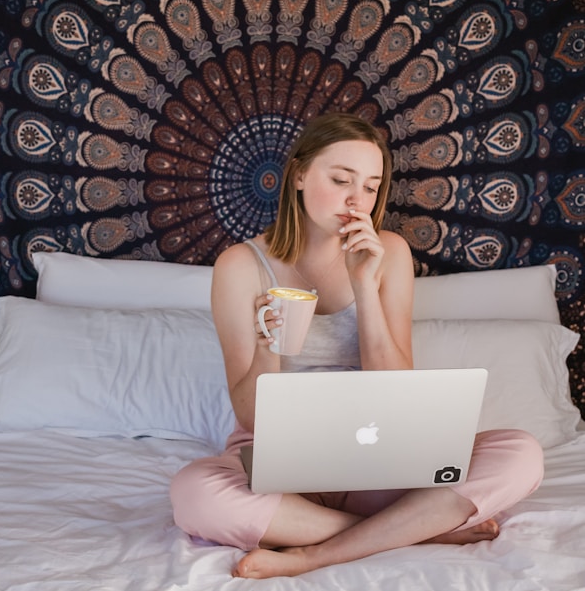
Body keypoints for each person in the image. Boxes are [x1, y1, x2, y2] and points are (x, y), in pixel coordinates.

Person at [170, 112, 544, 579]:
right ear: (300, 174)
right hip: (278, 458)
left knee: (521, 452)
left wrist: (364, 286)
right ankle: (414, 529)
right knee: (193, 493)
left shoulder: (389, 253)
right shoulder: (241, 266)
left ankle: (315, 552)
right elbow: (249, 416)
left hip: (378, 452)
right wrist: (269, 344)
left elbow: (397, 391)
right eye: (341, 179)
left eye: (370, 186)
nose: (356, 199)